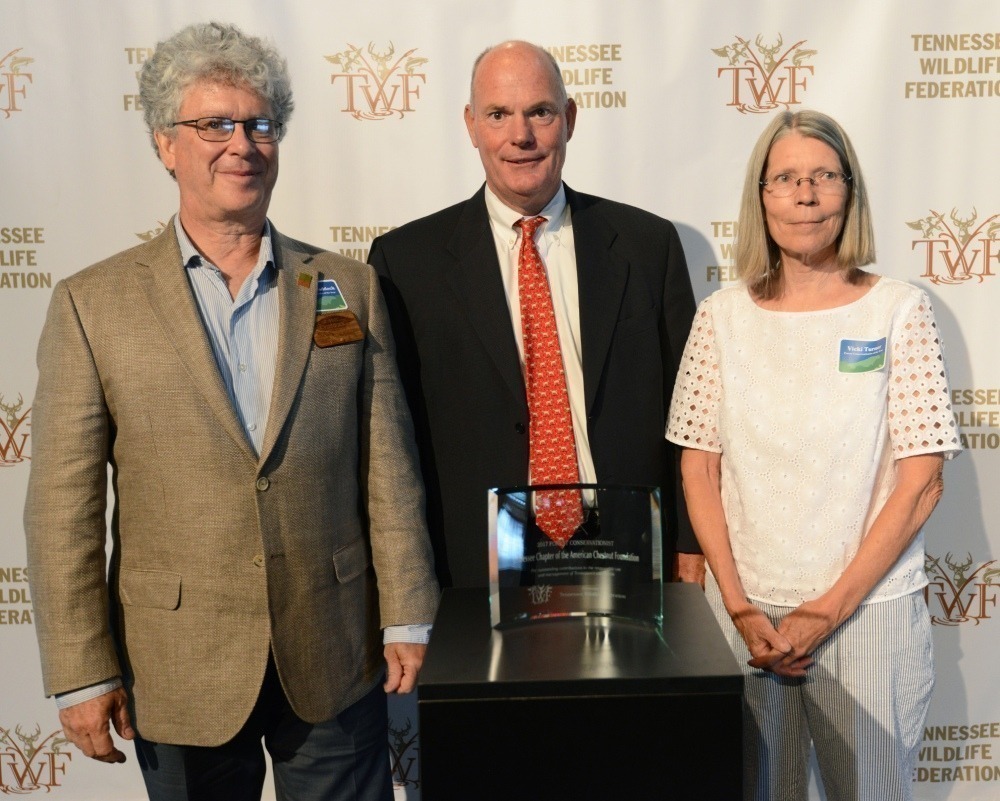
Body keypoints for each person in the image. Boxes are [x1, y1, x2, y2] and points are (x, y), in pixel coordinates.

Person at [23, 21, 439, 801]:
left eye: (259, 124)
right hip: (179, 666)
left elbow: (386, 460)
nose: (241, 144)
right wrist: (81, 670)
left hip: (334, 654)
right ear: (165, 144)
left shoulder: (342, 285)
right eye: (214, 124)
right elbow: (61, 509)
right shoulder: (93, 304)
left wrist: (407, 611)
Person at [666, 109, 961, 800]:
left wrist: (827, 609)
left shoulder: (899, 310)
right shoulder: (720, 315)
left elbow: (921, 484)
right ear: (760, 196)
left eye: (823, 177)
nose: (805, 194)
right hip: (746, 620)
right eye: (786, 178)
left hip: (869, 615)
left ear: (849, 192)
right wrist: (739, 608)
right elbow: (697, 466)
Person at [369, 40, 702, 588]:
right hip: (477, 564)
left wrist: (690, 547)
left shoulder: (648, 246)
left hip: (629, 553)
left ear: (569, 120)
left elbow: (691, 417)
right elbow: (390, 447)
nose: (520, 136)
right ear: (471, 125)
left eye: (540, 112)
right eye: (498, 115)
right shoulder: (405, 263)